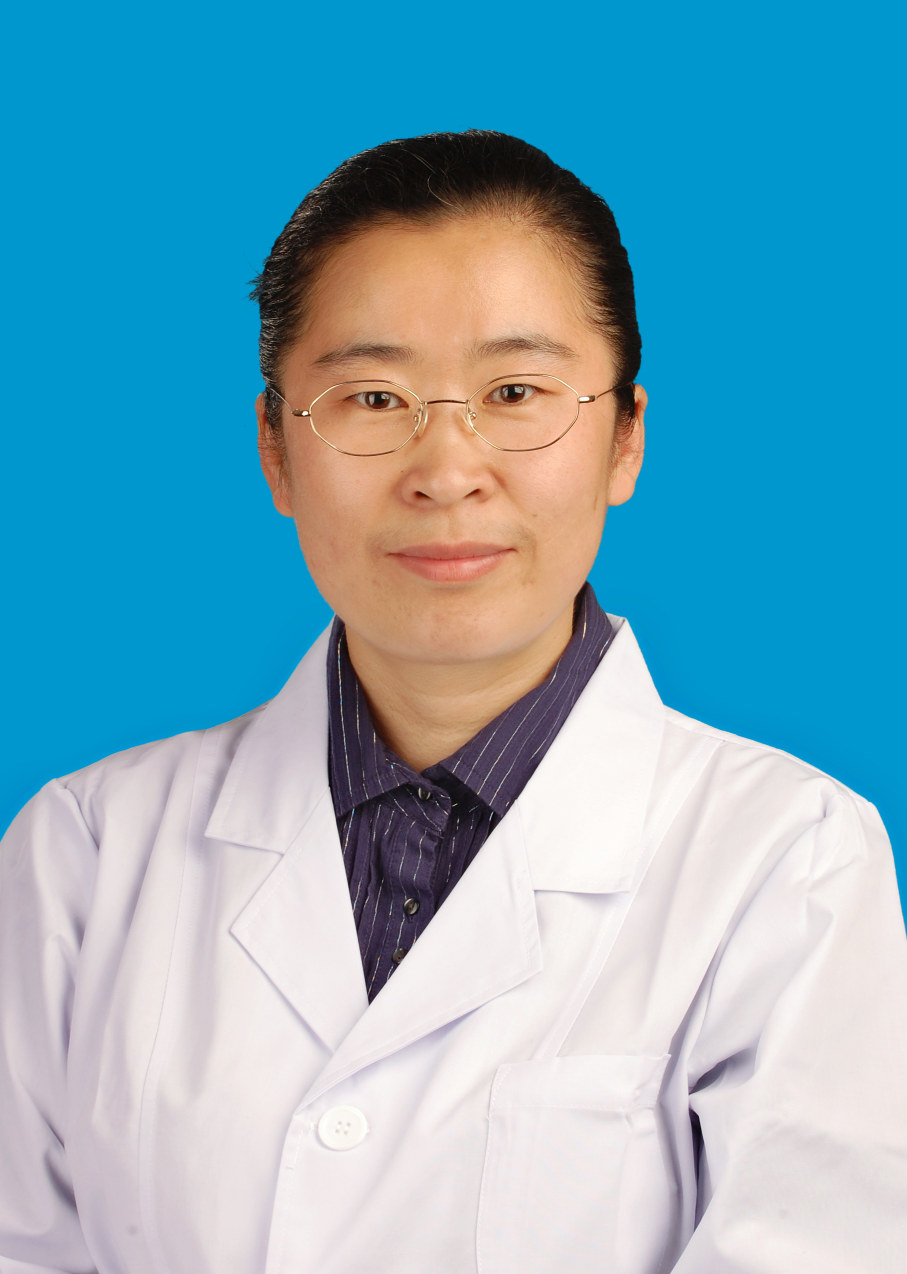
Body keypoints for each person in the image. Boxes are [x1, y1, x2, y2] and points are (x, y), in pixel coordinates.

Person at [0, 130, 904, 1274]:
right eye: (372, 397)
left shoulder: (785, 858)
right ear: (275, 449)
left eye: (515, 391)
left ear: (625, 437)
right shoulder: (85, 853)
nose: (445, 469)